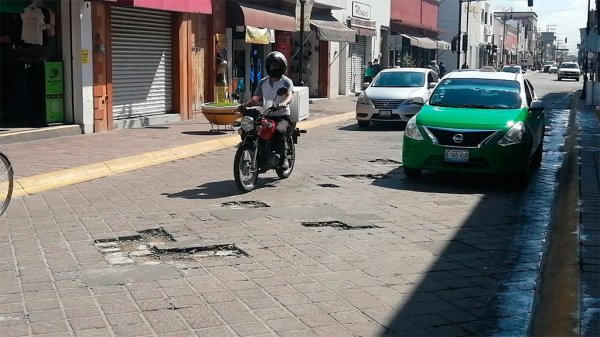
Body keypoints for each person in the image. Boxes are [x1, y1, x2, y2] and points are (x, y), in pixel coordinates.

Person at [238, 51, 294, 170]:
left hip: (283, 116)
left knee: (280, 131)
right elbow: (255, 99)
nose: (274, 67)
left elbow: (289, 95)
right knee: (253, 130)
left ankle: (284, 158)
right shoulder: (263, 82)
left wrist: (283, 103)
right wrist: (244, 105)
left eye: (276, 65)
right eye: (272, 65)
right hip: (267, 114)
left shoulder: (286, 81)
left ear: (282, 66)